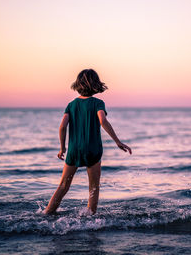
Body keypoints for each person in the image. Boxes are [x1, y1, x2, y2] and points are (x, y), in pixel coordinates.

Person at [43, 69, 132, 215]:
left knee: (64, 185)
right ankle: (90, 217)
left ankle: (47, 212)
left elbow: (62, 127)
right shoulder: (98, 103)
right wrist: (117, 141)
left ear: (78, 84)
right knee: (94, 187)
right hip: (93, 149)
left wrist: (62, 148)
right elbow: (102, 120)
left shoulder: (71, 105)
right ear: (95, 84)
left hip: (74, 149)